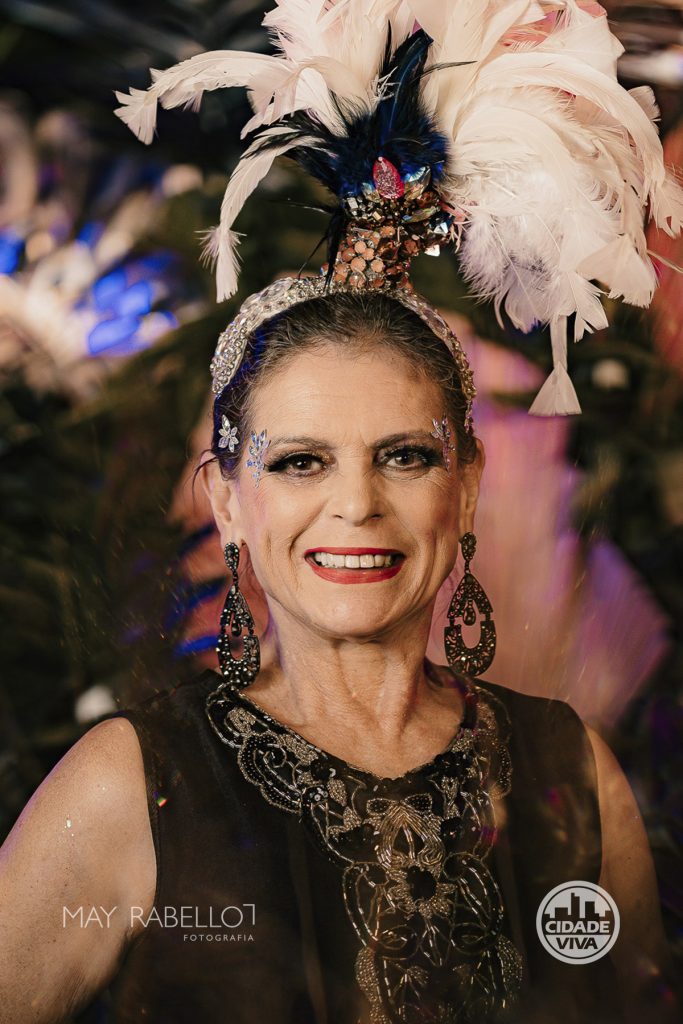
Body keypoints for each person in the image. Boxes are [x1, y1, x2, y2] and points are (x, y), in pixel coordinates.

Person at [1, 2, 682, 1022]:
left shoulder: (570, 771)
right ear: (227, 501)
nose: (355, 504)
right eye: (300, 462)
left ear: (465, 486)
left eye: (404, 456)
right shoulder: (131, 785)